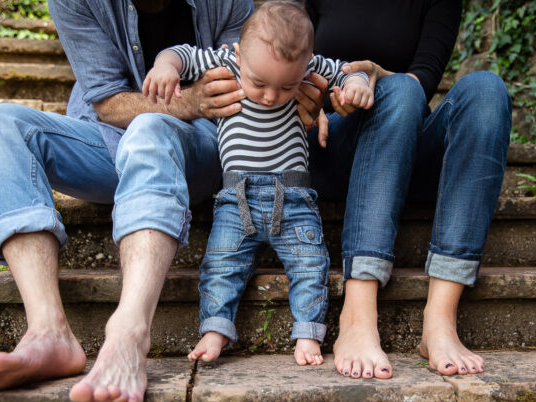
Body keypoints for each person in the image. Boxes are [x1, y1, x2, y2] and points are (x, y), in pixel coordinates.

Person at [0, 0, 327, 402]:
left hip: (202, 145)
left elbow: (263, 82)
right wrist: (185, 99)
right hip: (107, 138)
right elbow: (105, 102)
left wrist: (308, 93)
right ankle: (48, 331)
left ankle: (130, 331)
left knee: (150, 126)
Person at [145, 1, 373, 366]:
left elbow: (345, 71)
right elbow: (182, 54)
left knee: (310, 265)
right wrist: (164, 67)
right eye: (259, 83)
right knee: (220, 264)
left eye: (287, 87)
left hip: (295, 199)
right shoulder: (226, 62)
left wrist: (357, 83)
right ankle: (215, 330)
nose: (270, 96)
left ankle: (308, 333)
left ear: (306, 64)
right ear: (238, 53)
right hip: (237, 201)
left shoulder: (310, 66)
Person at [304, 0, 512, 379]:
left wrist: (378, 77)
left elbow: (424, 76)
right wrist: (306, 97)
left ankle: (440, 319)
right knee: (399, 87)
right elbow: (281, 54)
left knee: (485, 89)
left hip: (400, 140)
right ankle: (357, 314)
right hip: (329, 144)